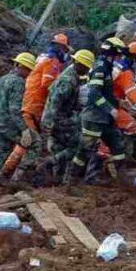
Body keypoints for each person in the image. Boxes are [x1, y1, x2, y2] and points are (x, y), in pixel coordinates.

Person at [66, 37, 127, 186]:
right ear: (112, 53)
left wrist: (118, 103)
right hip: (94, 118)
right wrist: (109, 108)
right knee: (84, 151)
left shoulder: (107, 67)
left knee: (118, 148)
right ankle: (71, 182)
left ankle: (123, 182)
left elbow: (106, 93)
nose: (120, 58)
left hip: (105, 119)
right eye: (118, 54)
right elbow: (94, 94)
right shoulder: (100, 68)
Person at [14, 34, 71, 185]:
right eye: (65, 49)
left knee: (32, 140)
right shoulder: (52, 61)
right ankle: (13, 174)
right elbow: (48, 84)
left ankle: (19, 171)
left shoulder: (43, 57)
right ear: (60, 47)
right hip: (34, 104)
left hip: (32, 102)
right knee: (31, 141)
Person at [0, 52, 36, 200]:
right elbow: (14, 109)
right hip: (9, 126)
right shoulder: (18, 82)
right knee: (35, 143)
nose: (29, 73)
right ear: (21, 66)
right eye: (28, 70)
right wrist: (24, 130)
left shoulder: (3, 79)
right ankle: (16, 180)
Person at [41, 50, 94, 184]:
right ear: (78, 64)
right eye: (86, 67)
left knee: (59, 147)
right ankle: (50, 163)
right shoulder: (68, 80)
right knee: (81, 144)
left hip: (59, 118)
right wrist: (49, 123)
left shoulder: (72, 77)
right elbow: (55, 102)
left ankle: (58, 180)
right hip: (60, 119)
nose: (87, 70)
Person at [111, 41, 136, 168]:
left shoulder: (117, 65)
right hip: (112, 104)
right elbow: (132, 94)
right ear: (134, 57)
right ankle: (129, 158)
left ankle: (130, 156)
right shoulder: (125, 72)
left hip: (112, 101)